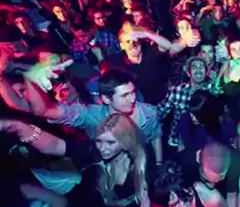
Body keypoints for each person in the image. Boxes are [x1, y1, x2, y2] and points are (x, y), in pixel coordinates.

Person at [0, 114, 151, 207]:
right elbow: (55, 146)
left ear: (125, 141)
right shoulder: (94, 153)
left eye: (110, 143)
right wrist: (19, 127)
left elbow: (146, 204)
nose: (103, 148)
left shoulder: (141, 160)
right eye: (99, 141)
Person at [1, 61, 163, 162]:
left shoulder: (148, 112)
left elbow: (156, 136)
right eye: (125, 95)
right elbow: (45, 110)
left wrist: (159, 163)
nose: (133, 99)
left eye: (133, 92)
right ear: (106, 99)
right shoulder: (91, 116)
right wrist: (32, 77)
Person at [151, 160, 225, 207]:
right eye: (174, 204)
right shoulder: (160, 202)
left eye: (184, 197)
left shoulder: (211, 198)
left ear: (187, 187)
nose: (183, 206)